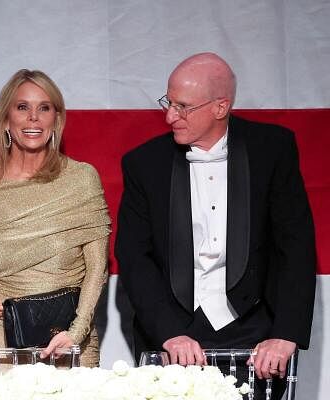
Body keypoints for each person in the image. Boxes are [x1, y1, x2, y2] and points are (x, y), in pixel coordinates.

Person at [115, 52, 316, 398]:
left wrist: (286, 334)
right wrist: (169, 332)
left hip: (254, 328)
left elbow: (295, 246)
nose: (169, 116)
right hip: (173, 329)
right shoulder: (144, 163)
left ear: (220, 107)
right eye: (168, 102)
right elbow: (134, 257)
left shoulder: (272, 149)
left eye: (182, 106)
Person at [0, 69, 110, 367]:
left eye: (44, 108)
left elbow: (97, 266)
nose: (33, 117)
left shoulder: (82, 178)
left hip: (71, 334)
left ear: (56, 119)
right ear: (6, 119)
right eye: (23, 107)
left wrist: (76, 332)